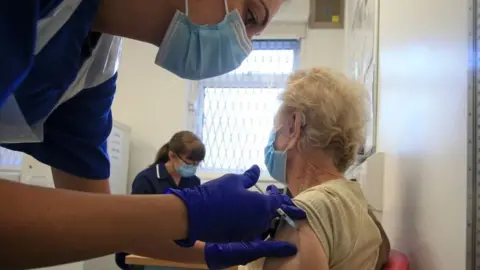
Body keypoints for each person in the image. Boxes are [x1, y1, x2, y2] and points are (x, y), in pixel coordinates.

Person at [0, 0, 306, 269]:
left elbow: (104, 222)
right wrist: (184, 213)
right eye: (250, 16)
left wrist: (213, 253)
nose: (246, 45)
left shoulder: (94, 70)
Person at [244, 68, 391, 270]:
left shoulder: (307, 211)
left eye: (274, 128)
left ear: (294, 127)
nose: (271, 139)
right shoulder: (356, 201)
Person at [116, 130, 206, 269]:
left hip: (179, 249)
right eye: (189, 163)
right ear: (172, 156)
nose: (193, 167)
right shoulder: (147, 179)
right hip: (148, 250)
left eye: (197, 164)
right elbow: (136, 223)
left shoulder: (193, 182)